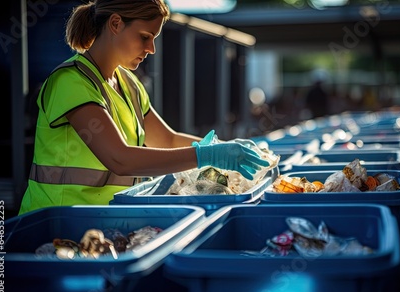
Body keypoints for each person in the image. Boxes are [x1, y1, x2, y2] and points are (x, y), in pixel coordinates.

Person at [19, 0, 268, 215]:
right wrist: (207, 155)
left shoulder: (128, 83)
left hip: (103, 221)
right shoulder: (70, 82)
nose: (151, 49)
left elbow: (167, 140)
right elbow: (120, 159)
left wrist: (222, 148)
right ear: (115, 24)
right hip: (55, 225)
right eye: (145, 37)